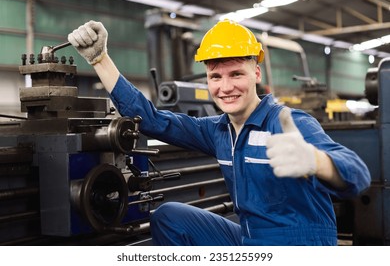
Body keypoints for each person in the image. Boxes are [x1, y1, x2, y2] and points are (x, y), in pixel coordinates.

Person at [68, 19, 371, 246]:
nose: (225, 88)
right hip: (250, 242)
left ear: (256, 73)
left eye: (236, 74)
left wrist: (316, 161)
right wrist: (100, 59)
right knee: (169, 217)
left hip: (301, 247)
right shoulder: (218, 131)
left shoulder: (290, 123)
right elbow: (151, 119)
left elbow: (358, 175)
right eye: (216, 77)